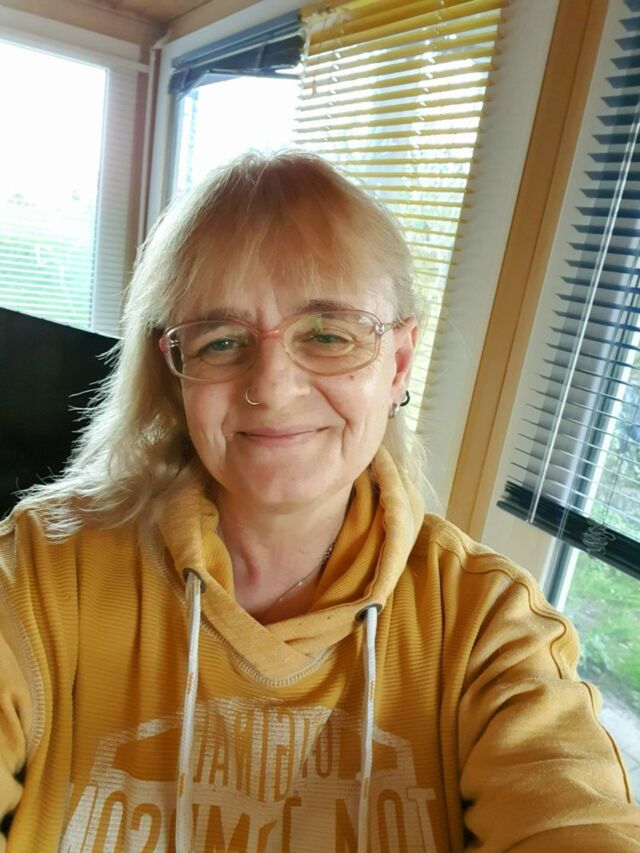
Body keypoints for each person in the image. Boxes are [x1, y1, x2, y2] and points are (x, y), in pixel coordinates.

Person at [0, 151, 638, 853]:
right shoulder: (40, 571)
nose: (271, 388)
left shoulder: (487, 626)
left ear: (398, 363)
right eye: (222, 341)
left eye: (329, 335)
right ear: (176, 369)